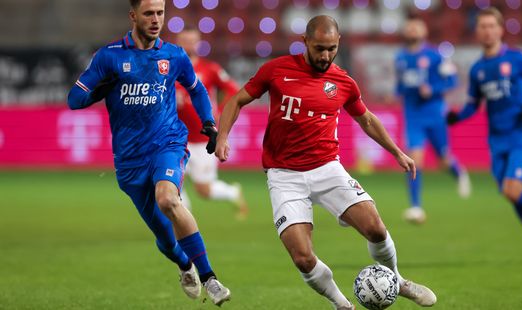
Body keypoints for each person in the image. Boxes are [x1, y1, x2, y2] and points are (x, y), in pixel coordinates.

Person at [215, 15, 437, 309]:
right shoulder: (276, 70)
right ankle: (341, 304)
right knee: (303, 258)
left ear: (338, 43)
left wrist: (397, 152)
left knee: (376, 229)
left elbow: (367, 119)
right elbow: (237, 100)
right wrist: (222, 137)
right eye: (319, 48)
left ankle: (396, 280)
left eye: (331, 48)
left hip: (327, 169)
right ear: (305, 42)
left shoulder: (343, 81)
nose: (325, 55)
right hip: (284, 176)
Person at [67, 0, 231, 305]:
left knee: (168, 199)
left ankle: (210, 278)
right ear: (133, 16)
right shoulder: (109, 57)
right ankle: (184, 265)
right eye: (149, 13)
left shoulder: (174, 55)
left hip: (167, 143)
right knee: (166, 239)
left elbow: (196, 89)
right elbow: (74, 99)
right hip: (129, 161)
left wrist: (208, 122)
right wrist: (102, 87)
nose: (156, 20)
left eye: (160, 13)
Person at [447, 7, 522, 264]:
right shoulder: (478, 70)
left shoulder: (517, 58)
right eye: (482, 26)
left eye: (491, 26)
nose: (487, 31)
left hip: (519, 132)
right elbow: (474, 105)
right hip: (496, 140)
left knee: (512, 189)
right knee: (511, 195)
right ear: (477, 31)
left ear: (501, 29)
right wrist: (456, 117)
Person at [395, 17, 471, 224]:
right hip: (413, 116)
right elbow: (400, 85)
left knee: (443, 160)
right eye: (409, 27)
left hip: (435, 113)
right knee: (414, 161)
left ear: (423, 31)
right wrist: (397, 92)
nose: (412, 30)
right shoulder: (400, 57)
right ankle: (416, 206)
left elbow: (452, 80)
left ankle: (458, 173)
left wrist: (433, 90)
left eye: (415, 27)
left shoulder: (435, 56)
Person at [174, 26, 248, 219]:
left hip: (203, 140)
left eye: (192, 40)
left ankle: (233, 192)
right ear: (178, 42)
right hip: (175, 138)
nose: (188, 44)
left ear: (198, 43)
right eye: (185, 40)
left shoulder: (210, 69)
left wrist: (220, 112)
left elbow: (233, 89)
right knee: (172, 183)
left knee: (204, 190)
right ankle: (184, 224)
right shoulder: (170, 69)